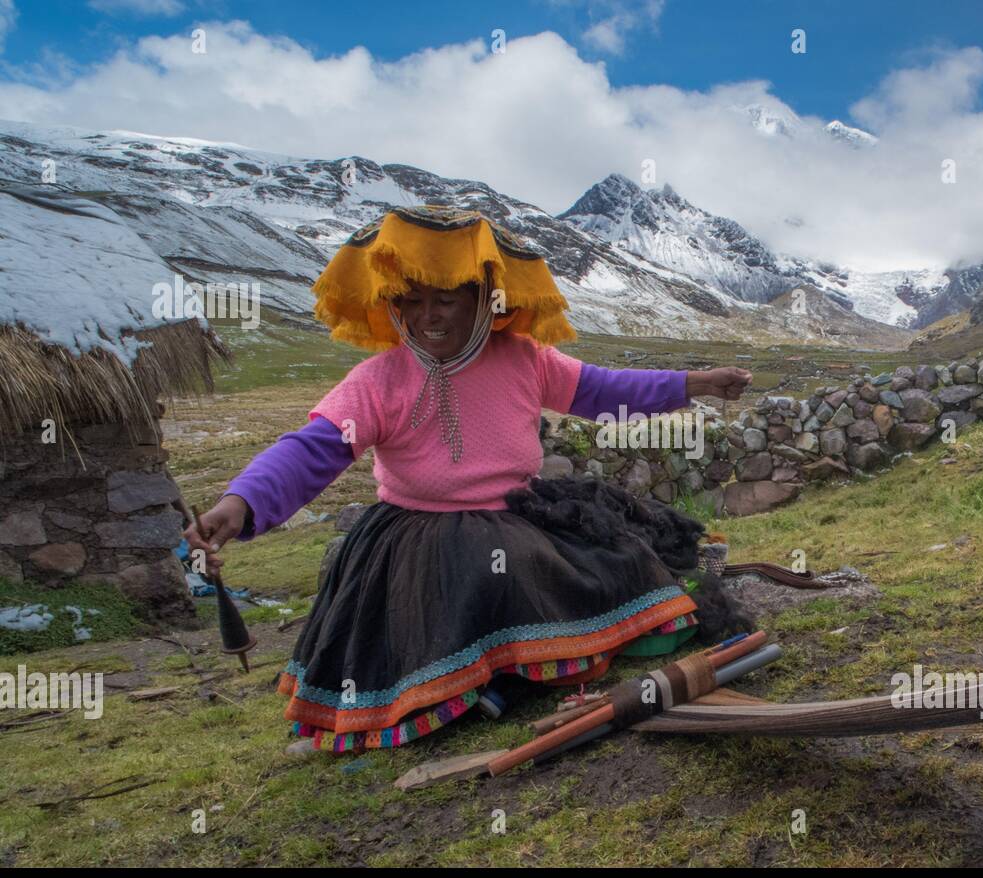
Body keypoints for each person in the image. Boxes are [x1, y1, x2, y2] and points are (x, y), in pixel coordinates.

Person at [183, 205, 753, 753]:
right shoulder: (377, 379)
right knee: (481, 578)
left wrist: (696, 383)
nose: (427, 314)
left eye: (445, 299)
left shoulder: (525, 358)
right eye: (412, 300)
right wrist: (242, 502)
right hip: (419, 537)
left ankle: (516, 678)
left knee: (624, 561)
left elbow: (606, 392)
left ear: (482, 300)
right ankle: (497, 682)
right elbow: (313, 450)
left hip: (521, 515)